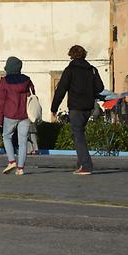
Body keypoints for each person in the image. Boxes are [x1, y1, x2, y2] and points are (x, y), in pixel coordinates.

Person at [51, 44, 104, 175]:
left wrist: (54, 107)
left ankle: (86, 166)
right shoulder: (92, 69)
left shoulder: (70, 70)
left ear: (71, 55)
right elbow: (99, 87)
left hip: (76, 107)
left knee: (78, 136)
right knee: (79, 134)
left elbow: (61, 90)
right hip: (88, 107)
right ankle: (81, 163)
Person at [0, 56, 36, 176]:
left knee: (6, 136)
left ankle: (11, 161)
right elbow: (33, 95)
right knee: (23, 141)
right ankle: (20, 168)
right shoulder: (27, 80)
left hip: (10, 114)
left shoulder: (4, 81)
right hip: (25, 115)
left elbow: (0, 101)